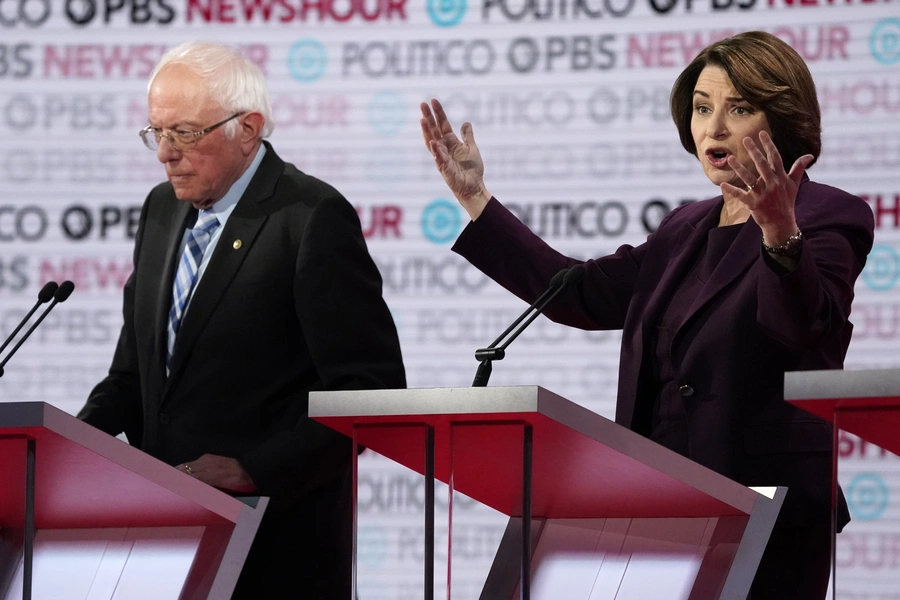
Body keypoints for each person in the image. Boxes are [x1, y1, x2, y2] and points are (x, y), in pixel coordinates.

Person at [420, 31, 873, 600]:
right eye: (702, 109)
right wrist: (476, 199)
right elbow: (575, 292)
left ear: (781, 118)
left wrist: (780, 232)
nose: (714, 127)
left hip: (766, 515)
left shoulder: (830, 215)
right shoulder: (686, 227)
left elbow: (807, 325)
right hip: (660, 510)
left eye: (739, 109)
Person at [78, 41, 406, 599]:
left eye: (183, 132)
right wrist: (68, 450)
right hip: (165, 545)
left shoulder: (310, 219)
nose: (164, 152)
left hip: (275, 549)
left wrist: (252, 469)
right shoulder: (161, 210)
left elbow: (371, 393)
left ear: (247, 128)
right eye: (156, 132)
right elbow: (134, 377)